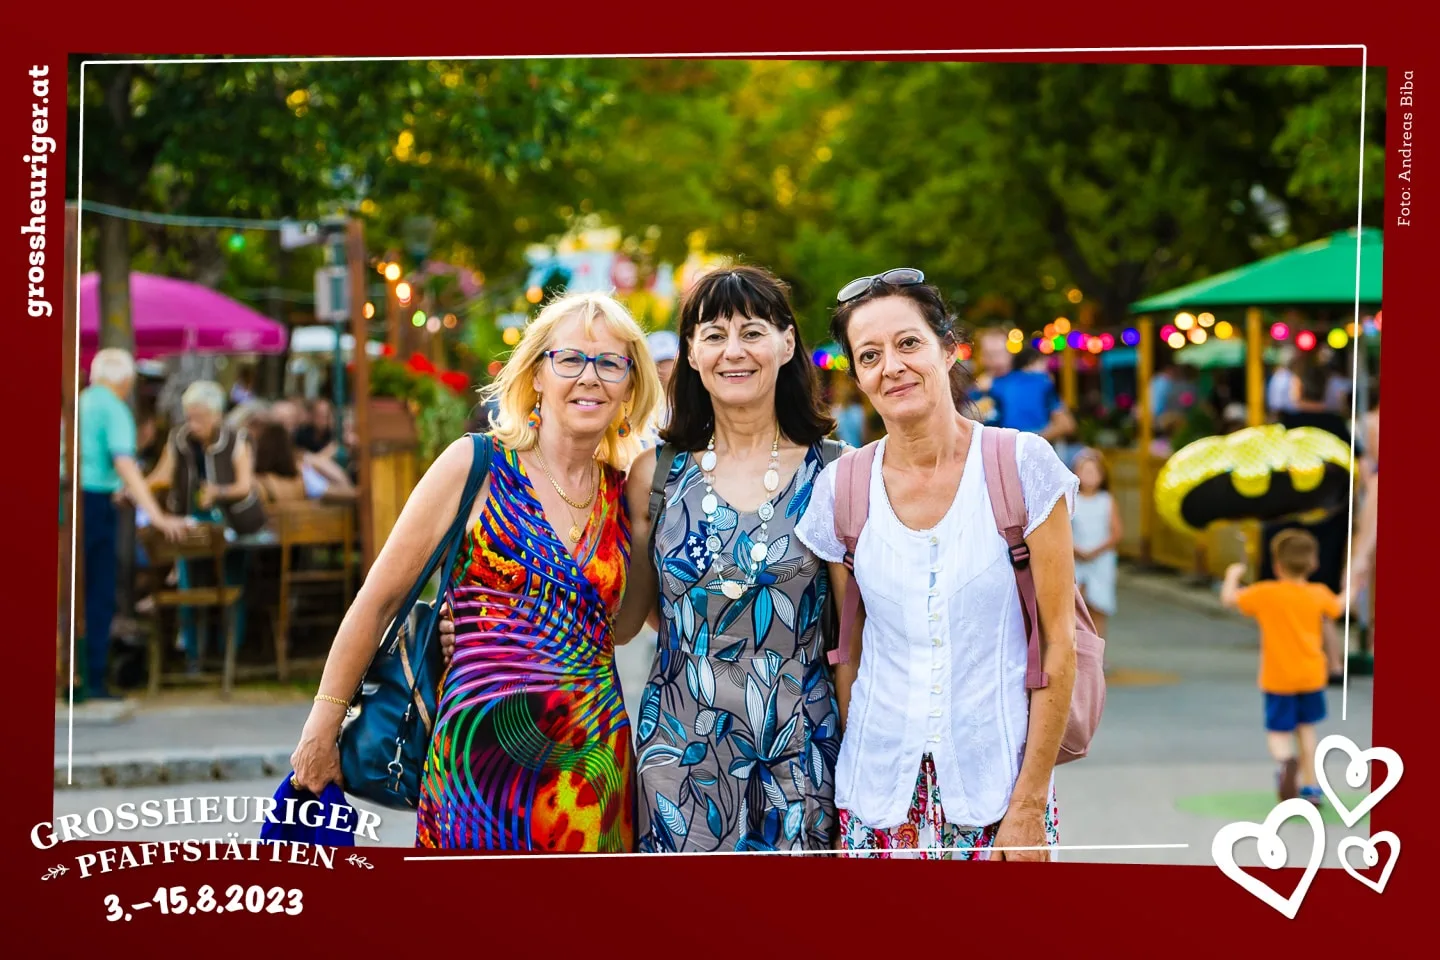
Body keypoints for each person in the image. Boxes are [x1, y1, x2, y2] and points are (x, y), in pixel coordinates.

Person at [288, 293, 662, 852]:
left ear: (630, 387)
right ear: (536, 375)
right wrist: (322, 727)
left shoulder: (622, 493)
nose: (590, 377)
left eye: (611, 363)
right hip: (476, 775)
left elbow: (622, 628)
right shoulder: (476, 464)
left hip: (592, 774)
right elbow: (378, 600)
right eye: (570, 359)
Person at [794, 268, 1077, 860]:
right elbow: (851, 650)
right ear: (857, 376)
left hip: (1001, 794)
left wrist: (1030, 804)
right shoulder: (843, 487)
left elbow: (1059, 644)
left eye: (908, 343)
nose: (892, 366)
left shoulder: (1022, 466)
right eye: (869, 355)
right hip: (876, 799)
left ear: (948, 350)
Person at [612, 264, 844, 853]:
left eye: (752, 332)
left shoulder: (836, 471)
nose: (733, 351)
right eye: (714, 335)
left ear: (787, 344)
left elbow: (858, 639)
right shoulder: (656, 475)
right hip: (679, 759)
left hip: (802, 754)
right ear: (691, 353)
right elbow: (625, 621)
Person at [78, 349, 187, 699]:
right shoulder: (115, 408)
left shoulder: (81, 402)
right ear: (124, 380)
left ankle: (76, 672)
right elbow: (125, 464)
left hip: (74, 499)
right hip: (97, 503)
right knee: (100, 589)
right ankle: (95, 676)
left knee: (76, 589)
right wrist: (156, 515)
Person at [145, 380, 263, 671]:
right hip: (191, 523)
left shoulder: (236, 439)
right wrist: (137, 488)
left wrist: (217, 492)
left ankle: (228, 652)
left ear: (216, 415)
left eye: (199, 417)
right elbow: (163, 474)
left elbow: (244, 485)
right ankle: (193, 655)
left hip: (233, 523)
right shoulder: (179, 439)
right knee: (189, 583)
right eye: (189, 417)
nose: (193, 424)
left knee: (232, 580)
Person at [1220, 530, 1340, 805]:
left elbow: (1229, 599)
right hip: (1311, 676)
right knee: (1307, 729)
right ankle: (1311, 787)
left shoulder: (1265, 593)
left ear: (1277, 565)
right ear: (1313, 564)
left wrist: (1232, 575)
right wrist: (1354, 584)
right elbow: (1338, 608)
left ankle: (1286, 762)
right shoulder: (1319, 594)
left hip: (1278, 678)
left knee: (1279, 732)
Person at [1070, 448, 1121, 640]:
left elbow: (1116, 533)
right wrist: (1076, 550)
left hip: (1101, 561)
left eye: (1094, 472)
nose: (1090, 476)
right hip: (1076, 559)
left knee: (1099, 606)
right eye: (1086, 471)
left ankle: (1098, 650)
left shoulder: (1106, 501)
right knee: (1076, 607)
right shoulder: (1071, 501)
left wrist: (1095, 551)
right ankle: (1078, 650)